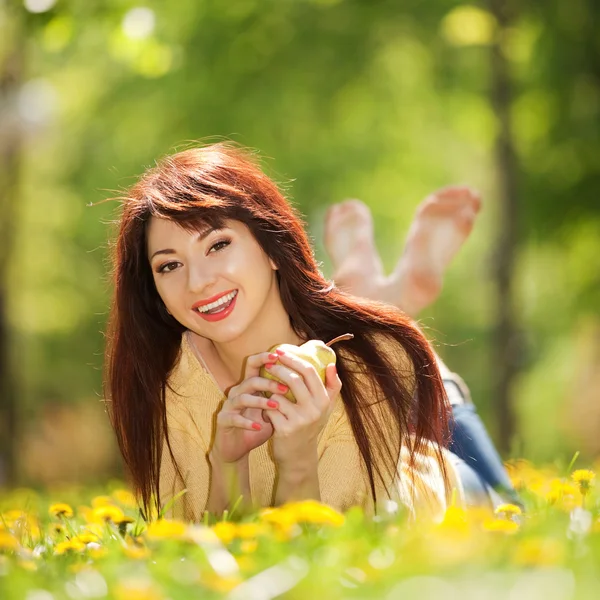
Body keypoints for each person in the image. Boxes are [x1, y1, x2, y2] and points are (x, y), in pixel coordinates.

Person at [103, 142, 467, 524]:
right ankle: (365, 288)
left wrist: (297, 460)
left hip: (440, 478)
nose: (198, 283)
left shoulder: (375, 358)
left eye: (218, 244)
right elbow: (203, 557)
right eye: (170, 266)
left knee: (459, 428)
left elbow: (336, 552)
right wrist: (228, 462)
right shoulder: (169, 384)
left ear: (273, 248)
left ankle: (380, 297)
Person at [324, 193, 522, 508]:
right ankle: (385, 311)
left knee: (507, 510)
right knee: (510, 512)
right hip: (415, 431)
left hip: (387, 450)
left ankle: (377, 308)